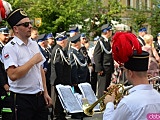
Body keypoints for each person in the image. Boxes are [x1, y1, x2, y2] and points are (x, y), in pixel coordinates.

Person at [2, 8, 52, 120]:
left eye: (30, 23)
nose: (30, 26)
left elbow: (40, 69)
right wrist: (32, 61)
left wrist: (45, 92)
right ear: (16, 29)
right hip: (22, 99)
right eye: (25, 24)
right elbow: (13, 75)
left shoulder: (33, 44)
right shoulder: (10, 48)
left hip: (38, 97)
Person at [103, 32, 160, 120]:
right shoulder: (157, 96)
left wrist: (109, 103)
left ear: (130, 73)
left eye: (125, 71)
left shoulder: (128, 102)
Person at [50, 31, 71, 120]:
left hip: (60, 80)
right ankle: (56, 116)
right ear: (62, 41)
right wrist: (59, 80)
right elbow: (57, 65)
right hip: (57, 80)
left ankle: (60, 114)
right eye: (66, 40)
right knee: (56, 100)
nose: (66, 42)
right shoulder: (58, 50)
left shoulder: (60, 49)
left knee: (60, 99)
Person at [68, 33, 89, 119]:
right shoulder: (72, 53)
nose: (82, 43)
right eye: (80, 42)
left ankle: (84, 110)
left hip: (83, 78)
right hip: (78, 78)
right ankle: (76, 112)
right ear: (76, 43)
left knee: (83, 95)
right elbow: (73, 68)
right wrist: (75, 80)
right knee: (76, 95)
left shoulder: (78, 52)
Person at [93, 23, 114, 98]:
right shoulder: (101, 42)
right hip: (103, 69)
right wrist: (99, 69)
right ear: (107, 32)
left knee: (107, 87)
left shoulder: (107, 41)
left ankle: (105, 102)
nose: (111, 33)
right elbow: (96, 55)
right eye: (110, 31)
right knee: (102, 87)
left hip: (108, 68)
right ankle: (100, 102)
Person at [0, 26, 10, 119]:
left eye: (7, 35)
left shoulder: (6, 47)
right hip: (2, 83)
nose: (6, 37)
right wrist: (4, 84)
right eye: (4, 35)